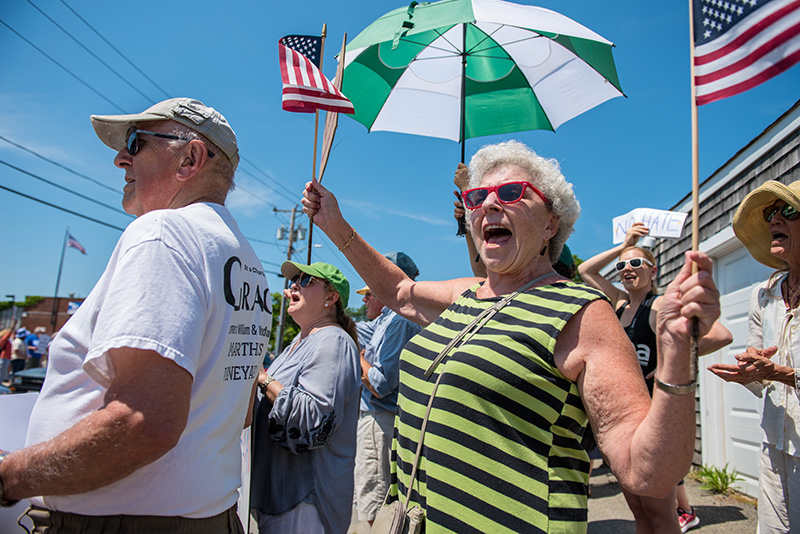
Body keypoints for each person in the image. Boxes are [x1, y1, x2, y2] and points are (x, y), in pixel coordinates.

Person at [302, 140, 723, 533]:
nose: (488, 204)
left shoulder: (582, 313)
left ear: (551, 223)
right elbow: (397, 290)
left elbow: (646, 473)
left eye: (510, 193)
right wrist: (334, 224)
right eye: (476, 197)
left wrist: (676, 355)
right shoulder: (467, 295)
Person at [0, 97, 271, 533]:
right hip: (209, 517)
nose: (120, 159)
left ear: (190, 159)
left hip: (122, 523)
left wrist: (10, 477)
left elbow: (143, 422)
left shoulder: (165, 232)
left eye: (135, 143)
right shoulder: (246, 262)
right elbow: (237, 413)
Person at [578, 222, 732, 533]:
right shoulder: (618, 303)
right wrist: (624, 247)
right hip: (624, 417)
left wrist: (667, 363)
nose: (627, 268)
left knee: (660, 514)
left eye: (636, 262)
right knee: (639, 511)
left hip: (653, 414)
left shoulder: (660, 305)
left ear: (653, 270)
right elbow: (586, 271)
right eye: (622, 265)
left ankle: (687, 513)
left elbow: (721, 334)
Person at [708, 180, 800, 534]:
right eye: (770, 213)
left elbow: (778, 372)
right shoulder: (764, 293)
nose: (775, 219)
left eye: (788, 211)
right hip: (774, 440)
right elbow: (761, 362)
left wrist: (780, 373)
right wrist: (752, 370)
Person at [250, 261, 361, 534]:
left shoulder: (333, 341)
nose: (294, 286)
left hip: (305, 501)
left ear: (331, 298)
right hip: (278, 496)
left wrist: (263, 379)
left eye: (306, 280)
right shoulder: (296, 345)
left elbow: (312, 424)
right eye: (294, 280)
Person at [353, 253, 423, 525]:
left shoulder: (400, 321)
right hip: (378, 421)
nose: (365, 299)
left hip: (380, 421)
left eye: (370, 291)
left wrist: (360, 358)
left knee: (377, 510)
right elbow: (353, 329)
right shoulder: (387, 319)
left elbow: (380, 384)